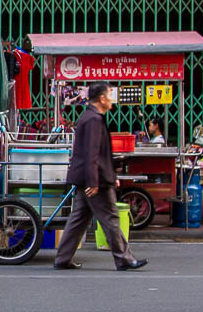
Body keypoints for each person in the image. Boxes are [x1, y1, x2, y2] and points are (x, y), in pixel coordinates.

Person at [54, 83, 148, 271]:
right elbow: (92, 153)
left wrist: (110, 177)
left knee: (79, 219)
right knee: (110, 217)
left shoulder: (89, 117)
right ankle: (124, 259)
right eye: (110, 95)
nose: (112, 99)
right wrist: (94, 181)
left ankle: (63, 259)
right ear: (102, 99)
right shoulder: (93, 120)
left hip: (88, 177)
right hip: (94, 179)